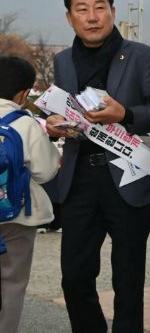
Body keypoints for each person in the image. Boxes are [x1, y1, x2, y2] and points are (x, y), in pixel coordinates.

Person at [45, 0, 150, 333]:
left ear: (113, 12)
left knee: (128, 280)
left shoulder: (141, 56)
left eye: (99, 7)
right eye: (82, 9)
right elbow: (61, 108)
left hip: (127, 176)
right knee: (74, 275)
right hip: (79, 179)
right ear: (70, 17)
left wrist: (125, 114)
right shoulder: (62, 61)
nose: (92, 17)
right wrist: (54, 123)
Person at [0, 56, 60, 332]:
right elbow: (46, 171)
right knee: (12, 283)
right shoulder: (24, 123)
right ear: (23, 94)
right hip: (16, 217)